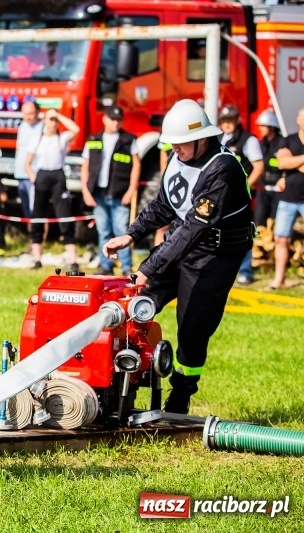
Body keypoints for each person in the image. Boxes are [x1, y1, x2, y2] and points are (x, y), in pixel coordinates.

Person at [103, 99, 253, 415]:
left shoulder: (222, 169)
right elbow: (164, 205)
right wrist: (131, 235)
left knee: (192, 326)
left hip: (215, 253)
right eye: (173, 144)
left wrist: (150, 266)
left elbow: (196, 227)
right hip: (184, 241)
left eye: (181, 144)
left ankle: (181, 394)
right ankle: (119, 381)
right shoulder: (179, 156)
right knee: (136, 302)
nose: (176, 150)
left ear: (202, 138)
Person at [80, 105, 140, 275]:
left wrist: (131, 190)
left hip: (119, 192)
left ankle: (126, 266)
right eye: (112, 119)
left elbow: (136, 166)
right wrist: (85, 190)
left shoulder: (129, 139)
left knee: (122, 230)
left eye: (119, 120)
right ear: (104, 118)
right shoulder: (93, 139)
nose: (115, 123)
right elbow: (85, 167)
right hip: (98, 192)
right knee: (103, 231)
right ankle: (105, 266)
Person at [24, 108, 80, 268]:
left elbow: (76, 129)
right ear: (44, 121)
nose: (53, 122)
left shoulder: (61, 138)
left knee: (64, 215)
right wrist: (34, 178)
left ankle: (73, 259)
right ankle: (37, 257)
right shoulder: (37, 139)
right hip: (42, 176)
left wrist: (59, 116)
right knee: (38, 216)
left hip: (58, 177)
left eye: (55, 120)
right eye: (51, 119)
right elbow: (27, 164)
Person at [218, 105, 264, 285]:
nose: (227, 124)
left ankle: (245, 271)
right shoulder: (218, 139)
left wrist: (244, 188)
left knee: (242, 233)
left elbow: (258, 167)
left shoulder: (249, 140)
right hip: (219, 195)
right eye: (224, 121)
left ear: (238, 120)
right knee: (219, 233)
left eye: (230, 120)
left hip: (239, 197)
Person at [270, 105, 304, 290]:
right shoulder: (288, 140)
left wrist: (294, 161)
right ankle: (279, 280)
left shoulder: (291, 147)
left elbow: (290, 162)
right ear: (298, 120)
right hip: (289, 198)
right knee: (280, 239)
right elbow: (282, 162)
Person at [254, 110, 284, 229]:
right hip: (262, 189)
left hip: (279, 190)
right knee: (259, 220)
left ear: (271, 127)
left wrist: (284, 178)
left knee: (275, 222)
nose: (260, 128)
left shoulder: (283, 143)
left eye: (263, 126)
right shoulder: (261, 144)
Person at [15, 100, 42, 230]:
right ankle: (31, 242)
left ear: (37, 112)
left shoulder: (43, 127)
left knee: (37, 210)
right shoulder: (22, 126)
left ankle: (38, 243)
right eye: (25, 114)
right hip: (20, 174)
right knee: (26, 210)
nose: (28, 117)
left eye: (31, 113)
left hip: (34, 174)